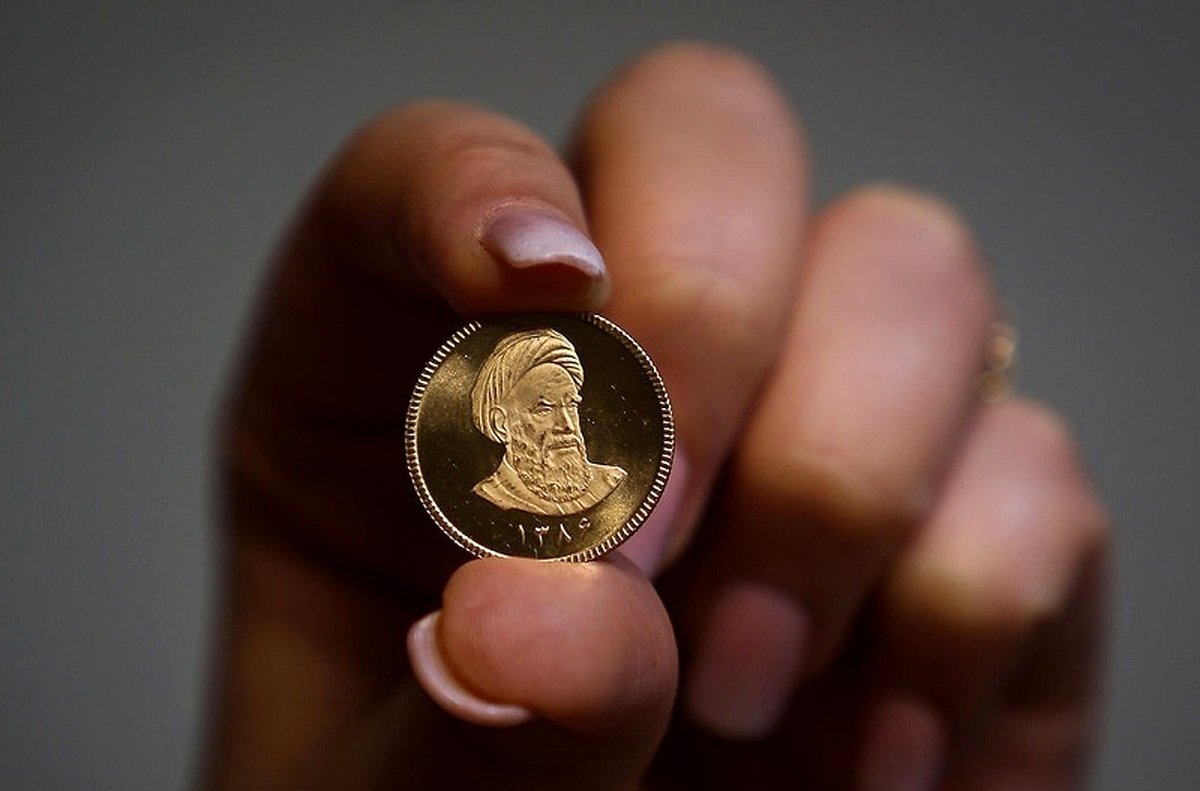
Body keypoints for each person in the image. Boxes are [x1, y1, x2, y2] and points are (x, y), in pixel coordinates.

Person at [204, 43, 1109, 790]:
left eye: (572, 399)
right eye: (544, 403)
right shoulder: (452, 510)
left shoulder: (603, 483)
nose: (568, 420)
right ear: (498, 419)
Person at [469, 328, 626, 516]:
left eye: (571, 405)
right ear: (501, 424)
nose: (567, 425)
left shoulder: (610, 482)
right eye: (544, 409)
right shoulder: (488, 498)